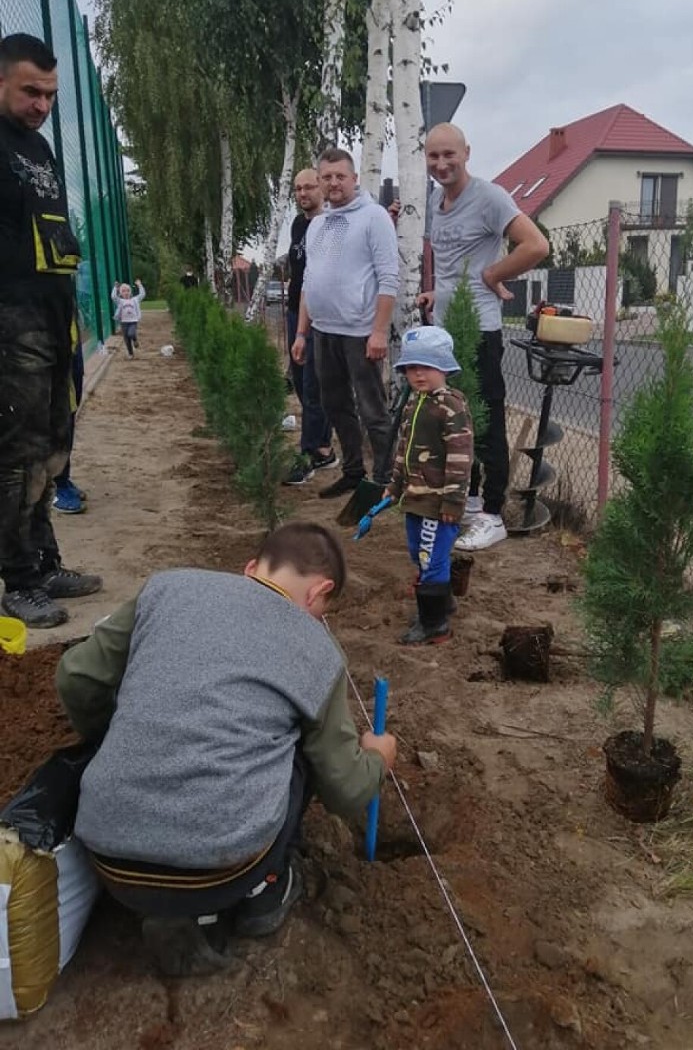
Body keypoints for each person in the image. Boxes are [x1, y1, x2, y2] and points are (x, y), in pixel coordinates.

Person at [57, 521, 398, 978]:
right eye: (323, 611)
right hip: (221, 869)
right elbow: (344, 789)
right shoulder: (317, 647)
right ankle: (264, 891)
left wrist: (112, 733)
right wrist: (377, 759)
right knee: (299, 750)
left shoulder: (165, 589)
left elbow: (77, 678)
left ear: (251, 568)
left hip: (107, 854)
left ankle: (177, 909)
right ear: (320, 592)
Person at [0, 33, 102, 628]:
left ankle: (44, 562)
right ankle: (18, 580)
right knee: (15, 455)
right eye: (30, 92)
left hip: (53, 317)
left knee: (51, 447)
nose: (42, 104)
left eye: (50, 94)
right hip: (9, 323)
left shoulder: (37, 149)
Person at [420, 123, 549, 551]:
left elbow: (536, 245)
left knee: (487, 421)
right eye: (433, 156)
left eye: (448, 155)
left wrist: (492, 274)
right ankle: (471, 502)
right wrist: (437, 293)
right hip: (444, 331)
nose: (441, 164)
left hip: (478, 329)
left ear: (466, 153)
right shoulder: (436, 202)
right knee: (455, 422)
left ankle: (493, 513)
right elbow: (455, 262)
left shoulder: (490, 197)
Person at [291, 148, 399, 499]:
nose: (334, 183)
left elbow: (388, 279)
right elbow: (309, 281)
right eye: (327, 177)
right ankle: (353, 471)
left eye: (340, 176)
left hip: (360, 334)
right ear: (320, 182)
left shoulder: (374, 217)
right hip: (323, 332)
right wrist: (302, 333)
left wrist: (379, 331)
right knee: (335, 406)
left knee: (372, 410)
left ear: (354, 179)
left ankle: (385, 479)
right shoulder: (318, 224)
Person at [384, 327, 473, 645]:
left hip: (437, 503)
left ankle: (435, 625)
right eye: (410, 367)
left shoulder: (451, 407)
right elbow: (403, 451)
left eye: (426, 366)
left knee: (429, 558)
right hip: (415, 498)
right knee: (419, 553)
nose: (417, 373)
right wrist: (394, 486)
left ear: (445, 367)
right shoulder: (413, 404)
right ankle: (442, 603)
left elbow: (461, 458)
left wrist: (453, 501)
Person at [282, 168, 337, 485]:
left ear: (322, 188)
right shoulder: (298, 224)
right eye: (298, 188)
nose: (303, 193)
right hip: (295, 310)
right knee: (302, 383)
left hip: (319, 315)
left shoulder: (330, 224)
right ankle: (325, 445)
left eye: (309, 187)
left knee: (315, 386)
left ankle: (312, 453)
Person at [52, 309, 87, 514]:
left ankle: (61, 478)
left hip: (66, 326)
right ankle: (53, 484)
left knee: (69, 409)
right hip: (37, 328)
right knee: (57, 414)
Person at [112, 279, 145, 357]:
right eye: (123, 291)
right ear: (120, 293)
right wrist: (115, 288)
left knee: (131, 333)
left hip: (133, 321)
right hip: (124, 322)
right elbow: (113, 297)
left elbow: (142, 294)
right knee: (126, 339)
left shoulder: (134, 300)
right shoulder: (120, 301)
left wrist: (139, 285)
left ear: (130, 292)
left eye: (127, 291)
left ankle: (135, 339)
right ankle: (130, 353)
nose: (126, 293)